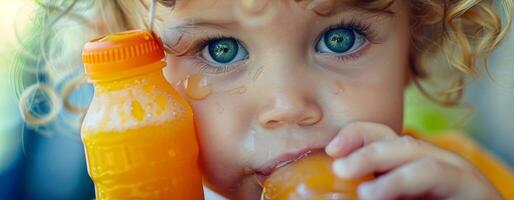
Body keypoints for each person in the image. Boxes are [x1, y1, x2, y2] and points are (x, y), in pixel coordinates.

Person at [14, 0, 514, 199]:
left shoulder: (462, 184)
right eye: (220, 50)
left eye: (340, 38)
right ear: (143, 83)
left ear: (415, 39)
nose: (287, 104)